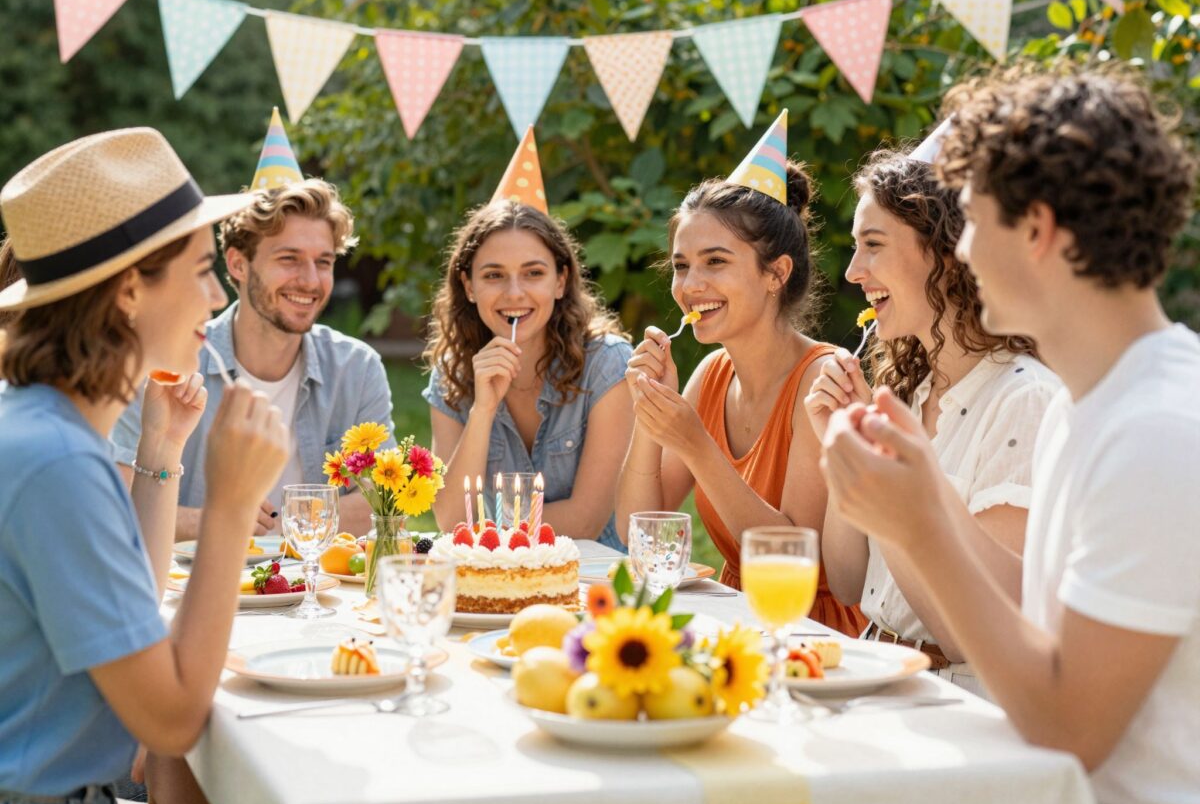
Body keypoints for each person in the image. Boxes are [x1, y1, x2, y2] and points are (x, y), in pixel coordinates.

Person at [820, 66, 1199, 804]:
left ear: (1036, 230)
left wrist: (921, 524)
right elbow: (1034, 616)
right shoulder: (1086, 405)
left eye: (974, 220)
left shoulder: (1157, 429)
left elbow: (1069, 728)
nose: (960, 251)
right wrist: (920, 487)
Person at [0, 128, 289, 804]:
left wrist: (162, 451)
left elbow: (131, 606)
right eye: (199, 269)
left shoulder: (46, 426)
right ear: (129, 291)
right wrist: (232, 507)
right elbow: (171, 718)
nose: (216, 297)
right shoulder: (55, 460)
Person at [805, 145, 1059, 692]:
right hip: (875, 670)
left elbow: (970, 636)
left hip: (956, 695)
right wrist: (841, 453)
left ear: (946, 254)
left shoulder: (1024, 401)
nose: (853, 272)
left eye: (872, 246)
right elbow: (848, 584)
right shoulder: (909, 392)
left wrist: (891, 497)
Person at [616, 111, 866, 637]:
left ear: (776, 273)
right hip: (735, 622)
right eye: (682, 266)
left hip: (813, 635)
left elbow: (797, 559)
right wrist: (648, 414)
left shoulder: (821, 381)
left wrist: (696, 445)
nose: (690, 284)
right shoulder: (710, 374)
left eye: (716, 262)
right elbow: (638, 533)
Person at [113, 111, 393, 538]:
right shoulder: (167, 365)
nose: (312, 281)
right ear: (238, 264)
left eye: (324, 262)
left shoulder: (356, 368)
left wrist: (284, 528)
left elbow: (385, 501)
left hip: (320, 594)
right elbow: (119, 505)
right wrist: (224, 521)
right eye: (289, 259)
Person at [423, 128, 633, 548]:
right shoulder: (452, 373)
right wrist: (483, 408)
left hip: (591, 584)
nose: (514, 293)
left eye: (534, 273)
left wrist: (481, 532)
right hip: (493, 583)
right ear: (468, 285)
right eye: (494, 275)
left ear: (561, 280)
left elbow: (587, 518)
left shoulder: (608, 365)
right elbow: (447, 517)